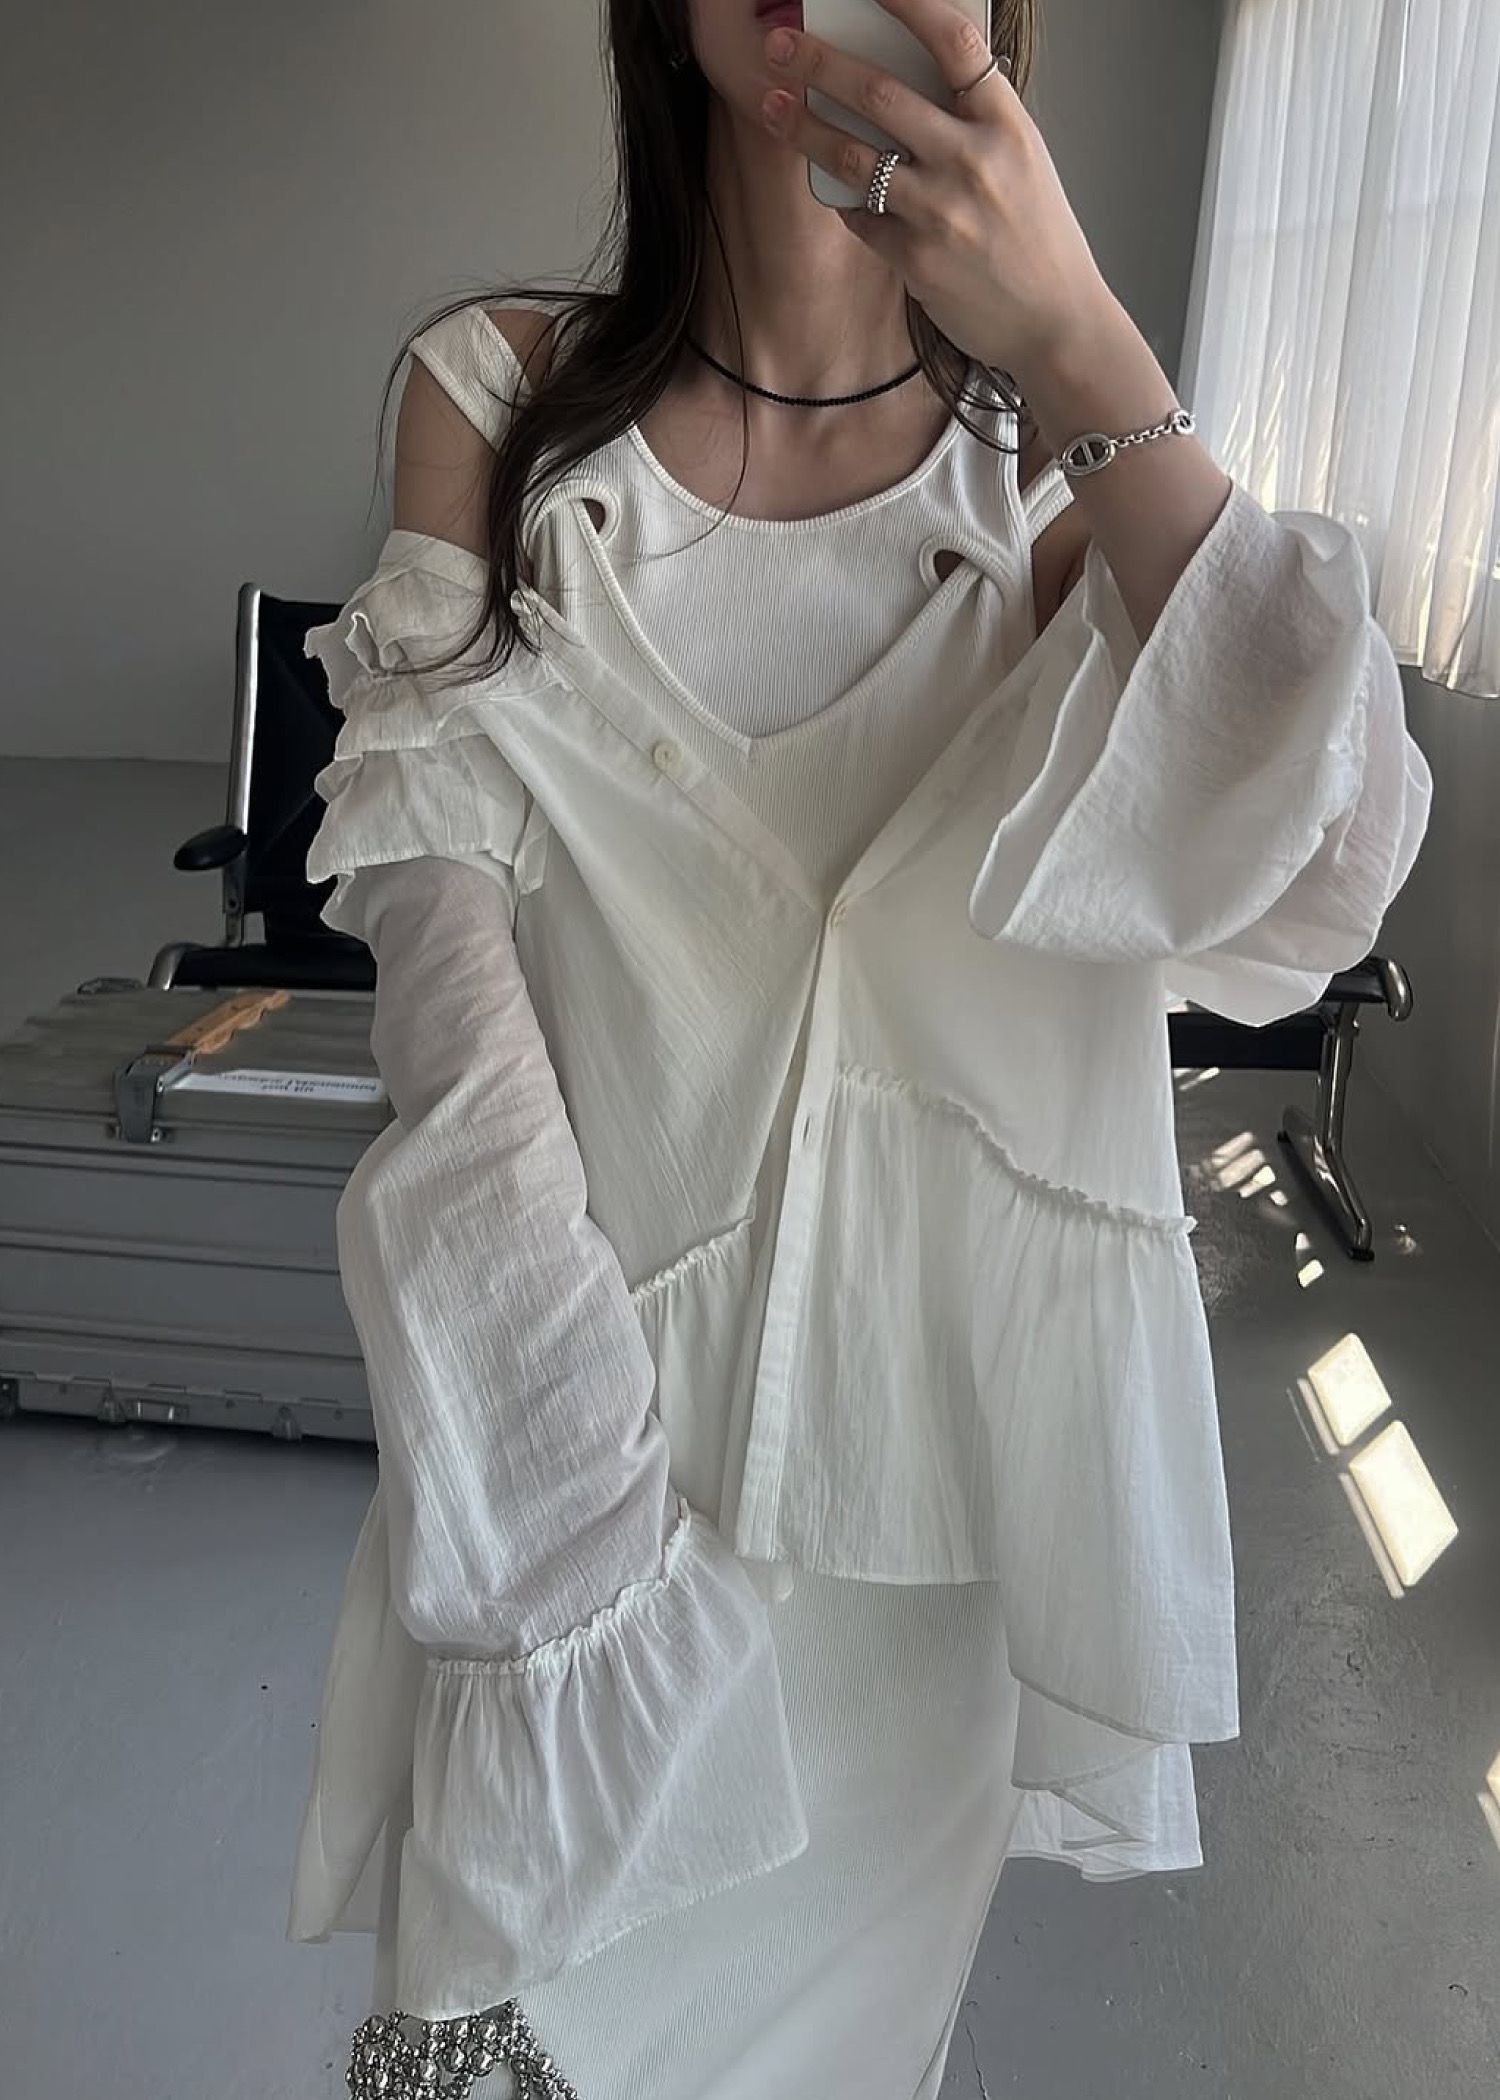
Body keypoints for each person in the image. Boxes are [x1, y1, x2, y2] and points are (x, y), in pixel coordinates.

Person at [288, 5, 1433, 2097]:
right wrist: (562, 1490)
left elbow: (1326, 868)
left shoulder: (1065, 495)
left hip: (913, 1536)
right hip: (571, 1469)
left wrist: (1078, 336)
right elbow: (443, 987)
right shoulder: (499, 404)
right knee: (470, 2045)